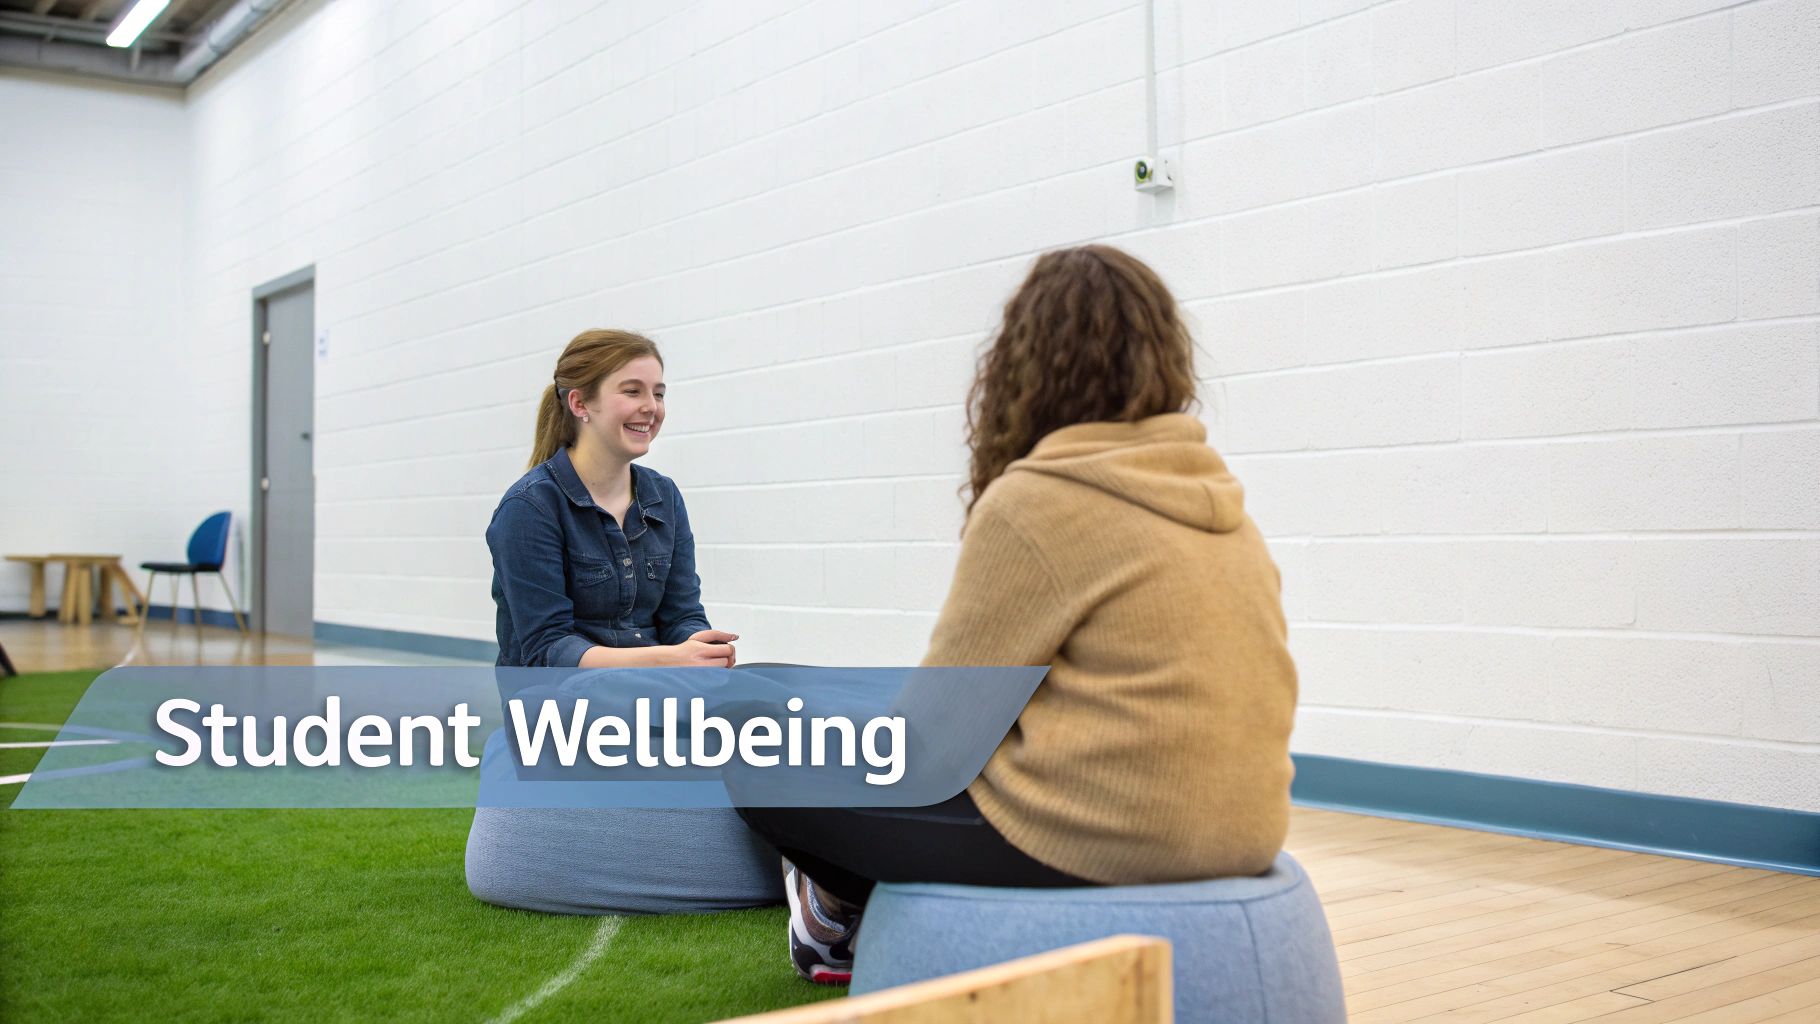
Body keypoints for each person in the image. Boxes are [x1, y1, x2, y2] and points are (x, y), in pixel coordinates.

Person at [737, 245, 1299, 984]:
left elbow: (929, 746)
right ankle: (841, 902)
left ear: (1025, 364)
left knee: (750, 744)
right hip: (1246, 835)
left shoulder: (1038, 501)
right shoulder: (1220, 501)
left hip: (1090, 841)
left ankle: (834, 914)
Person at [486, 328, 737, 669]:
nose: (651, 407)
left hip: (652, 690)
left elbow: (682, 615)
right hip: (560, 709)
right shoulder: (529, 508)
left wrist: (700, 647)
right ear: (580, 403)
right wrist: (669, 659)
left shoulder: (664, 496)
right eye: (632, 391)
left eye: (658, 394)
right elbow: (549, 650)